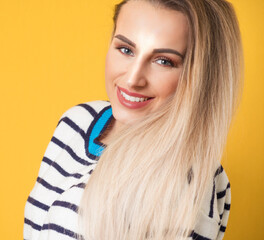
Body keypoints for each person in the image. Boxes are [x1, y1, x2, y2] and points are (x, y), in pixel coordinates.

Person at [23, 0, 243, 239]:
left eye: (163, 61)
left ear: (202, 75)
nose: (132, 79)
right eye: (126, 49)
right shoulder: (77, 122)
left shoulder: (188, 181)